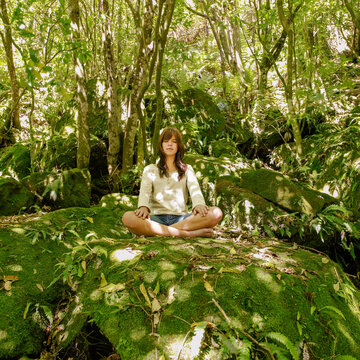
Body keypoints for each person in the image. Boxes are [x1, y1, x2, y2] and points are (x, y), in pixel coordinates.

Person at [122, 127, 223, 238]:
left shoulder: (187, 169)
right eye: (166, 141)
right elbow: (144, 193)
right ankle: (187, 234)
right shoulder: (150, 169)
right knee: (127, 217)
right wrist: (143, 207)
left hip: (182, 219)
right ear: (161, 145)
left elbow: (195, 190)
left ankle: (162, 232)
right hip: (156, 219)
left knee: (216, 213)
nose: (169, 144)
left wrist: (198, 205)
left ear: (178, 146)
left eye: (174, 141)